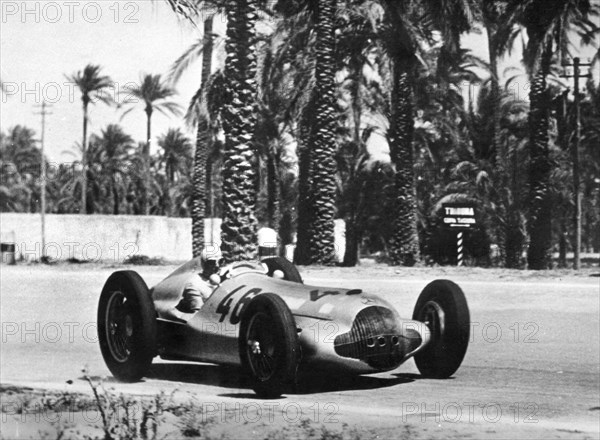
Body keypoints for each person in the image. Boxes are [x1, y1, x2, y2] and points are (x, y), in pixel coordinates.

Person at [176, 248, 223, 314]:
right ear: (204, 264)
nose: (217, 265)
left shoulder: (225, 280)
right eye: (211, 262)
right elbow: (198, 315)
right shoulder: (194, 284)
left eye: (220, 261)